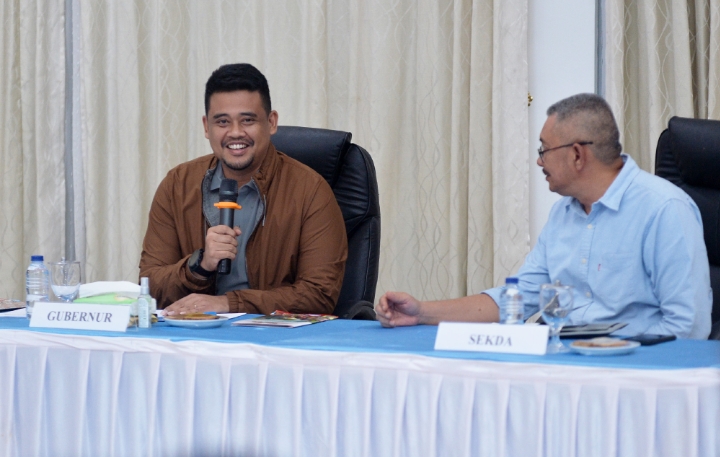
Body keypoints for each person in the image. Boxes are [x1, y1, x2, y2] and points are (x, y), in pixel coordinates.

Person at [375, 93, 712, 339]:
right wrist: (421, 312)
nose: (539, 161)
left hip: (631, 377)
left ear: (577, 155)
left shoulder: (664, 210)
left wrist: (613, 356)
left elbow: (688, 326)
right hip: (560, 367)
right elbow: (518, 299)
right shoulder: (563, 213)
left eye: (544, 150)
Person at [139, 63, 347, 315]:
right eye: (222, 122)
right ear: (206, 127)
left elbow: (320, 295)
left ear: (271, 122)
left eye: (247, 120)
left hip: (274, 336)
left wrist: (229, 304)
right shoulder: (177, 186)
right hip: (194, 332)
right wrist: (200, 265)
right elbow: (150, 287)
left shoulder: (310, 190)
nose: (235, 133)